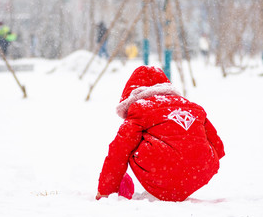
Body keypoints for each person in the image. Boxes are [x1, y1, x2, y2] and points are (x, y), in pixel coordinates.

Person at [96, 66, 225, 202]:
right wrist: (193, 164)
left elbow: (118, 152)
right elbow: (218, 148)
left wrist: (105, 191)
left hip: (162, 171)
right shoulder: (193, 107)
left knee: (128, 144)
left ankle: (159, 185)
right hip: (201, 171)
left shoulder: (140, 108)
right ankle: (179, 184)